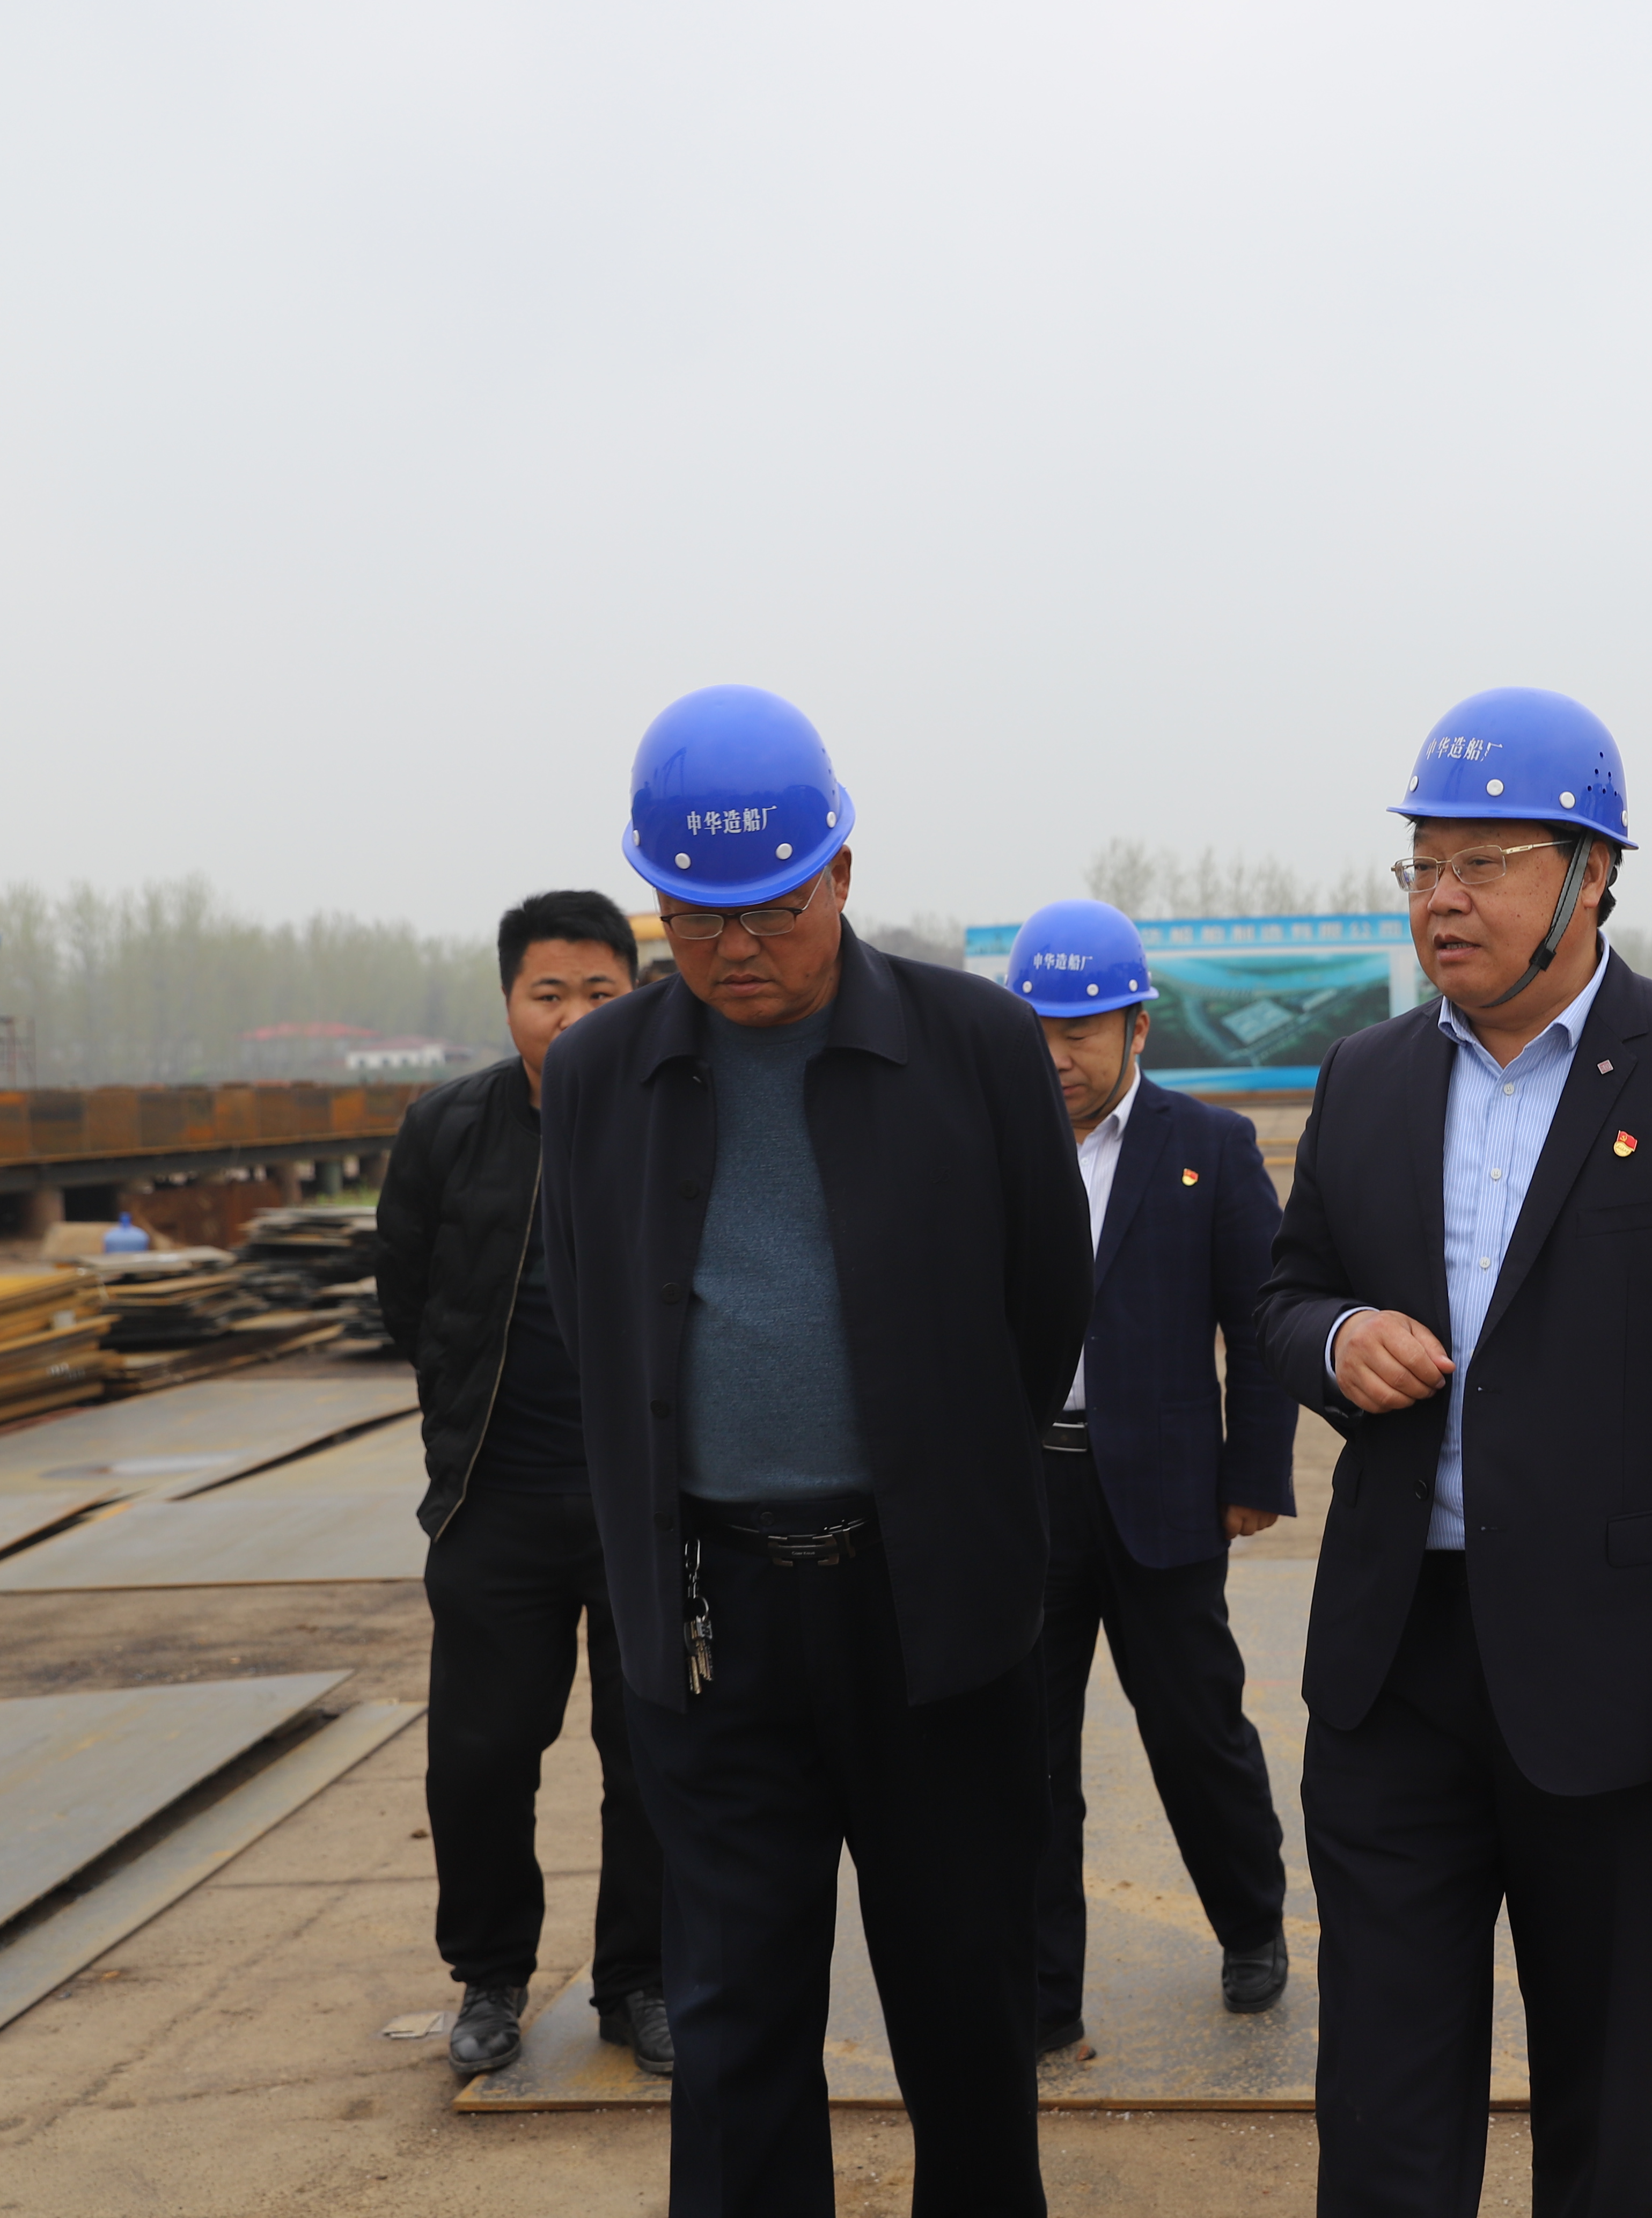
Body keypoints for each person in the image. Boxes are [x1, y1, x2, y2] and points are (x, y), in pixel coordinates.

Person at [1257, 687, 1652, 2215]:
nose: (1441, 899)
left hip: (1624, 1678)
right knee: (1381, 2094)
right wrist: (1335, 1338)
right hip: (1394, 1665)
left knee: (1602, 2092)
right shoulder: (1367, 1075)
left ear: (1593, 877)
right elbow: (1283, 1292)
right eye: (1422, 865)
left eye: (1485, 864)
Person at [538, 685, 1093, 2218]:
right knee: (732, 2022)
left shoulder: (975, 1045)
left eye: (774, 907)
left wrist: (936, 1478)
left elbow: (1045, 1305)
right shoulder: (598, 1077)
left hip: (933, 1614)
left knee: (965, 2006)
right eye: (696, 914)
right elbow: (597, 1322)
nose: (736, 947)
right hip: (715, 1625)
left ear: (842, 871)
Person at [374, 887, 673, 2080]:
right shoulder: (448, 1128)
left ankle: (642, 1979)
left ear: (636, 998)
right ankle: (490, 1976)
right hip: (495, 1500)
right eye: (549, 993)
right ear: (509, 1002)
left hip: (645, 1502)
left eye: (600, 992)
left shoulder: (676, 1116)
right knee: (481, 1758)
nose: (574, 1015)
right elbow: (409, 1298)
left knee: (654, 1751)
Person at [1004, 897, 1298, 2061]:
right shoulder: (988, 1144)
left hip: (1167, 1496)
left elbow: (1261, 1322)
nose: (1057, 1055)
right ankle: (1045, 1996)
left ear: (1137, 1027)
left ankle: (1253, 1923)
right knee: (1028, 1755)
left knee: (1195, 1728)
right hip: (1028, 1498)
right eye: (1038, 1030)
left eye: (1080, 1030)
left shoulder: (1207, 1147)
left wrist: (1254, 1472)